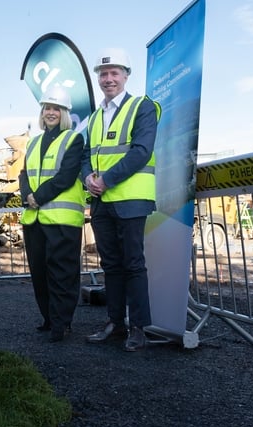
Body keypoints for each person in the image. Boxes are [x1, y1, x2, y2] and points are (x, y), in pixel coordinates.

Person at [82, 48, 161, 352]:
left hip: (130, 199)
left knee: (133, 264)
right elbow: (87, 156)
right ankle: (115, 322)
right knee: (111, 265)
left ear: (126, 75)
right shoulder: (95, 117)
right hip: (102, 202)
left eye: (115, 73)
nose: (108, 78)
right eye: (103, 73)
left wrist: (105, 180)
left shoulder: (142, 107)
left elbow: (141, 151)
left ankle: (139, 327)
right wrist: (87, 177)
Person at [19, 85, 85, 343]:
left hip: (61, 219)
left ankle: (62, 323)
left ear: (65, 113)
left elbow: (66, 176)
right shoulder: (34, 142)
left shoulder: (73, 139)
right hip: (35, 219)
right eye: (47, 107)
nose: (50, 112)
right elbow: (24, 174)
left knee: (62, 274)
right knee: (40, 273)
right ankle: (48, 318)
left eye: (56, 108)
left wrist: (38, 197)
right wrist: (27, 195)